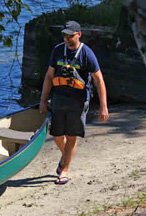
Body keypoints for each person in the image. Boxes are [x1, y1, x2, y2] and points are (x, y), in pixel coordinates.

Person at [39, 20, 109, 185]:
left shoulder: (87, 53)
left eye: (70, 35)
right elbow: (49, 76)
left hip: (78, 101)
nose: (67, 38)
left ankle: (64, 170)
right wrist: (43, 100)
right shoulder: (57, 50)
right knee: (56, 135)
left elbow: (99, 80)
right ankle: (66, 157)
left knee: (71, 136)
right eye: (65, 35)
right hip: (59, 98)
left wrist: (103, 106)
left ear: (79, 34)